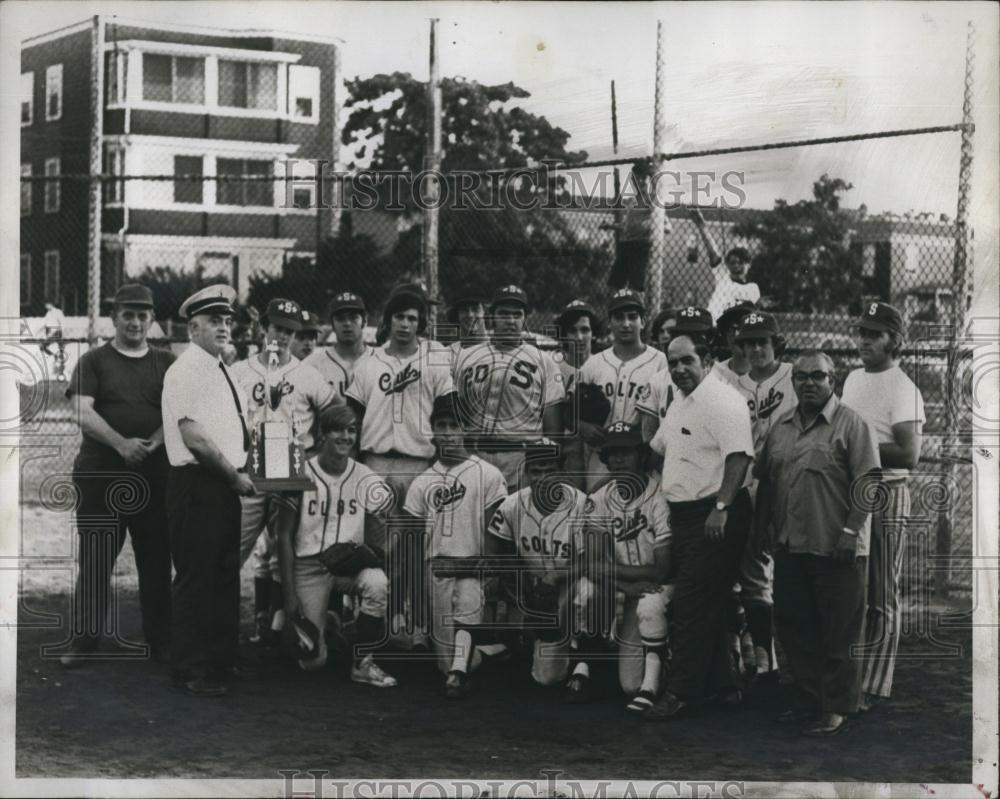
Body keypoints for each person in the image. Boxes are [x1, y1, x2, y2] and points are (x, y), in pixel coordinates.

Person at [754, 350, 881, 736]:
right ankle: (807, 699)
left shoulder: (852, 425)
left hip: (836, 547)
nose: (809, 383)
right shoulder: (781, 426)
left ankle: (836, 707)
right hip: (791, 546)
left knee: (837, 630)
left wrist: (849, 532)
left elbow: (869, 484)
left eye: (818, 376)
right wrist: (762, 529)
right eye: (801, 377)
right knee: (796, 625)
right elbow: (768, 482)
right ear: (793, 382)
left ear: (833, 379)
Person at [60, 284, 175, 667]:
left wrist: (154, 443)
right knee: (95, 559)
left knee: (156, 561)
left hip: (152, 477)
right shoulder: (93, 361)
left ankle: (161, 642)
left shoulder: (166, 362)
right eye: (128, 314)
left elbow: (177, 414)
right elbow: (81, 411)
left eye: (143, 315)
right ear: (115, 317)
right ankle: (85, 641)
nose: (136, 322)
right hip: (100, 477)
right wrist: (122, 444)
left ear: (153, 320)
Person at [644, 330, 754, 721]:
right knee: (710, 600)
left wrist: (721, 506)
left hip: (716, 514)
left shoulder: (724, 401)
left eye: (687, 360)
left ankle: (680, 693)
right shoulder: (680, 401)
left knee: (689, 600)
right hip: (686, 515)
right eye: (672, 362)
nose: (679, 369)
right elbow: (658, 447)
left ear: (706, 360)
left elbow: (739, 459)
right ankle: (726, 687)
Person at [345, 282, 456, 642]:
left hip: (419, 463)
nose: (405, 324)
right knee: (379, 548)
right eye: (399, 317)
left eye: (412, 317)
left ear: (421, 321)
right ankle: (385, 619)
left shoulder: (435, 356)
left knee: (417, 549)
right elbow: (352, 416)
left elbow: (446, 413)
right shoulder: (369, 361)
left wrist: (445, 464)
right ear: (388, 320)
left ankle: (417, 624)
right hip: (375, 462)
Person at [161, 285, 256, 697]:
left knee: (222, 576)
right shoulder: (186, 369)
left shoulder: (218, 367)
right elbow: (194, 437)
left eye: (227, 320)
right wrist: (234, 478)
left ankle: (220, 660)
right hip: (199, 484)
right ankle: (190, 669)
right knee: (197, 577)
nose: (223, 327)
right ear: (193, 327)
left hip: (221, 485)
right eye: (213, 321)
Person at [271, 405, 397, 686]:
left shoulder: (365, 476)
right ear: (322, 435)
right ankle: (319, 622)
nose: (346, 436)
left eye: (352, 430)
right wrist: (289, 594)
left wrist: (378, 553)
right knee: (311, 661)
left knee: (377, 583)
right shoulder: (299, 474)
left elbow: (390, 525)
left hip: (346, 567)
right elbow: (283, 536)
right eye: (338, 429)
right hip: (309, 566)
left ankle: (362, 664)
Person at [842, 301, 925, 713]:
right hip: (852, 492)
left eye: (874, 334)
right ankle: (848, 678)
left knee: (881, 592)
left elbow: (909, 454)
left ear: (894, 340)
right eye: (861, 332)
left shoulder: (903, 386)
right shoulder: (853, 378)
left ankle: (874, 686)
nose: (864, 341)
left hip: (887, 493)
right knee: (849, 586)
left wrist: (859, 450)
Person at [402, 395, 508, 698]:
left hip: (472, 564)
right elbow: (413, 537)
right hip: (437, 569)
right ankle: (481, 654)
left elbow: (495, 527)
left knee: (468, 602)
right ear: (432, 431)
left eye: (454, 425)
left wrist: (489, 565)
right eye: (441, 426)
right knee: (444, 661)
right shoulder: (423, 481)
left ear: (466, 429)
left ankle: (459, 673)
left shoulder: (487, 473)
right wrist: (415, 585)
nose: (448, 433)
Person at [231, 298, 336, 566]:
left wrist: (316, 451)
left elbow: (338, 412)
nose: (283, 336)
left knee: (289, 551)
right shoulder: (240, 371)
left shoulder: (307, 375)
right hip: (250, 467)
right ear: (264, 328)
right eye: (278, 328)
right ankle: (219, 608)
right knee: (232, 547)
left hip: (290, 466)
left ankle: (279, 608)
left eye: (289, 331)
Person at [486, 440, 592, 695]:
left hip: (572, 584)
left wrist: (556, 577)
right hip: (534, 590)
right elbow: (496, 550)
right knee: (546, 678)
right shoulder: (513, 504)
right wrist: (518, 592)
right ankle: (546, 643)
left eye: (549, 470)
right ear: (526, 471)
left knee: (588, 592)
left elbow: (591, 561)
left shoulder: (582, 504)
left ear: (561, 470)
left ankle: (586, 657)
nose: (542, 477)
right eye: (536, 470)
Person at [582, 421, 672, 714]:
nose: (619, 459)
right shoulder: (598, 500)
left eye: (627, 452)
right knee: (586, 592)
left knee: (649, 604)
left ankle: (657, 674)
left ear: (640, 456)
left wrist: (612, 573)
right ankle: (590, 666)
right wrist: (625, 585)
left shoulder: (661, 496)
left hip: (666, 586)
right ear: (605, 459)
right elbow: (592, 564)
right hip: (627, 588)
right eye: (613, 453)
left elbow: (662, 569)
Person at [729, 310, 796, 679]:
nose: (755, 349)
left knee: (791, 566)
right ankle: (765, 656)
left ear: (776, 344)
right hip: (749, 483)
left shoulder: (793, 378)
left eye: (762, 342)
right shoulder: (733, 386)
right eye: (749, 342)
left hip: (789, 481)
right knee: (752, 568)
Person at [453, 285, 564, 493]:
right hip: (476, 456)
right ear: (491, 317)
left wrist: (541, 467)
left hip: (521, 459)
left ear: (525, 319)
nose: (511, 320)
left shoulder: (543, 361)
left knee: (519, 522)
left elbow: (553, 428)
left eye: (517, 314)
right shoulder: (468, 358)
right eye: (504, 313)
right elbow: (457, 414)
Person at [572, 289, 667, 491]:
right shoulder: (593, 364)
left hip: (642, 460)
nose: (626, 324)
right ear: (609, 322)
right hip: (600, 458)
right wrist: (581, 425)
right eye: (619, 317)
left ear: (643, 321)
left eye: (633, 317)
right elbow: (569, 411)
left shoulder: (660, 362)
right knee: (598, 513)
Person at [636, 306, 713, 447]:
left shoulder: (725, 378)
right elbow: (649, 436)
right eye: (684, 334)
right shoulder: (659, 380)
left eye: (698, 335)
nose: (692, 340)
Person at [554, 300, 601, 491]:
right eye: (572, 331)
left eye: (585, 330)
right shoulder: (553, 366)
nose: (579, 337)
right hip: (565, 447)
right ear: (564, 334)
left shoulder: (603, 365)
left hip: (597, 447)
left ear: (593, 333)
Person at [690, 208, 760, 321]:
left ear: (749, 265)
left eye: (741, 262)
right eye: (732, 262)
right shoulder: (723, 277)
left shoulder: (753, 288)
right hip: (712, 323)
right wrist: (701, 226)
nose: (736, 266)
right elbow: (712, 253)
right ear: (727, 265)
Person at [304, 292, 373, 400]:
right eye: (340, 319)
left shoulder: (380, 361)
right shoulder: (312, 365)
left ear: (364, 321)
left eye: (353, 318)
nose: (347, 323)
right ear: (332, 324)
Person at [712, 301, 755, 387]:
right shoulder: (713, 374)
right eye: (730, 329)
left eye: (744, 327)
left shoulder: (771, 373)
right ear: (726, 336)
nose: (736, 334)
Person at [445, 291, 489, 372]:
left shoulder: (498, 348)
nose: (470, 314)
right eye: (464, 310)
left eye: (475, 309)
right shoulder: (447, 354)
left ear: (484, 312)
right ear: (457, 316)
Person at [40, 300, 68, 380]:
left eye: (47, 304)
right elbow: (45, 324)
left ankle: (61, 369)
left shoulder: (58, 312)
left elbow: (62, 323)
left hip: (57, 332)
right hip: (50, 333)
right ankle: (55, 356)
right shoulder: (48, 313)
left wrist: (62, 333)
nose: (46, 306)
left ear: (51, 304)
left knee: (61, 350)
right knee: (43, 346)